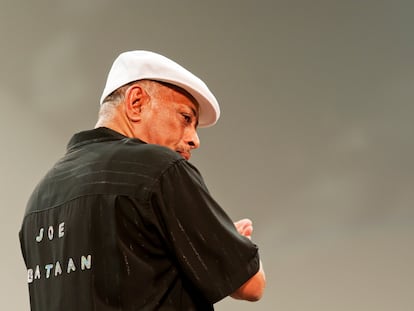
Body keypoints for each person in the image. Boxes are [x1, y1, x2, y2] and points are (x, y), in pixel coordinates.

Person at [19, 50, 266, 310]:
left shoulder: (40, 196)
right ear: (136, 102)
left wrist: (208, 237)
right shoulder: (159, 169)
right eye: (185, 118)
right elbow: (251, 285)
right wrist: (228, 243)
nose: (195, 139)